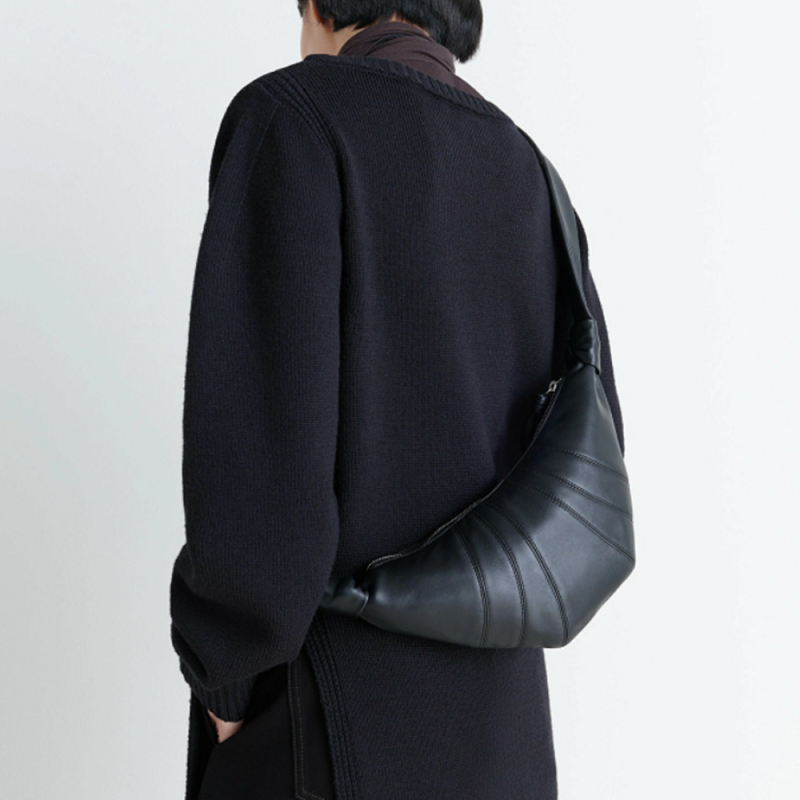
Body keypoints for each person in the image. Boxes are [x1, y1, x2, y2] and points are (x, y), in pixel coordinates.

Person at [169, 2, 626, 799]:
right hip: (504, 738)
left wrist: (227, 679)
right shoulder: (530, 171)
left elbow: (261, 453)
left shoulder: (296, 120)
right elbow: (593, 453)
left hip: (328, 719)